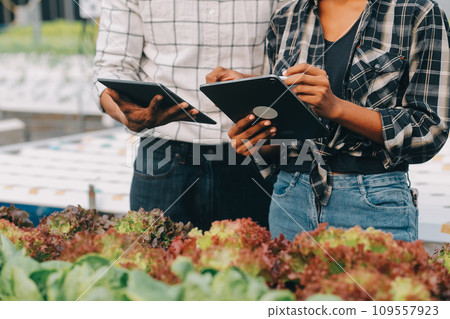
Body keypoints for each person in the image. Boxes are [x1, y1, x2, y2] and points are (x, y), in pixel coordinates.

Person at [208, 0, 450, 241]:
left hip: (373, 205)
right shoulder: (286, 16)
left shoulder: (417, 12)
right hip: (290, 199)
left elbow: (429, 130)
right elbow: (289, 139)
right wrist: (257, 140)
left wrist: (337, 108)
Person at [94, 0, 291, 230]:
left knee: (254, 263)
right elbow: (111, 68)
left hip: (255, 153)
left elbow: (289, 65)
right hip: (162, 155)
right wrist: (126, 115)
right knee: (153, 263)